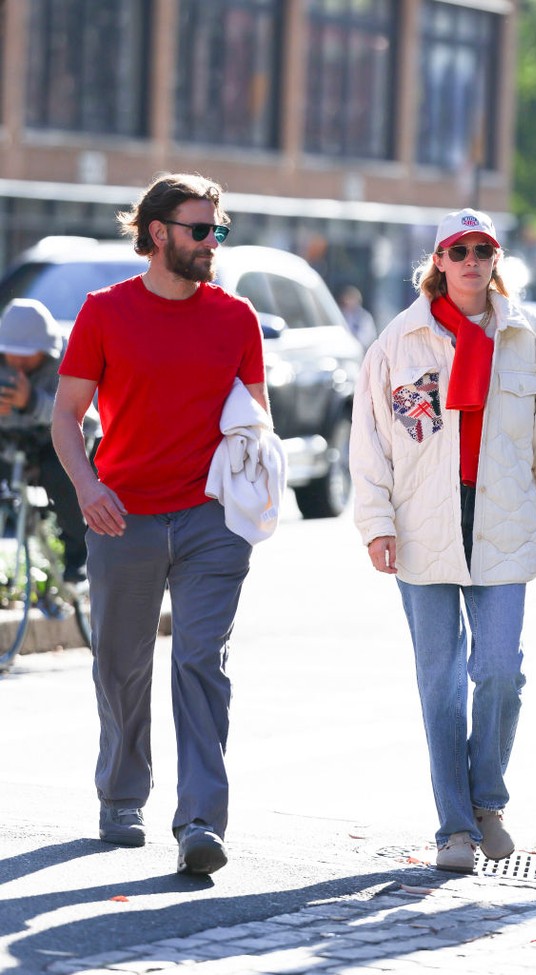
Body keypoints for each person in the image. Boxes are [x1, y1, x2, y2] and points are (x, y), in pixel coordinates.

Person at [349, 208, 536, 874]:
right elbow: (370, 440)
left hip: (506, 525)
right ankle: (454, 826)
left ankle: (489, 799)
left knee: (499, 672)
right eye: (460, 250)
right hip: (424, 525)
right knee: (440, 683)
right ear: (439, 262)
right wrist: (377, 524)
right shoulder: (399, 341)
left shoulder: (531, 338)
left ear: (496, 260)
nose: (473, 260)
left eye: (484, 249)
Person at [51, 172, 269, 876]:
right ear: (157, 234)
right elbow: (65, 414)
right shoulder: (104, 312)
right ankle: (121, 794)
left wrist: (254, 481)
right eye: (200, 230)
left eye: (218, 230)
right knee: (121, 663)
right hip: (123, 514)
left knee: (200, 659)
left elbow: (254, 421)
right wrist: (87, 486)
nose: (213, 242)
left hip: (212, 519)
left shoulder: (236, 318)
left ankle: (201, 820)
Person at [0, 298, 92, 583]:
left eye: (27, 356)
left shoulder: (69, 359)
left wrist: (32, 403)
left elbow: (88, 422)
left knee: (67, 477)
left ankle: (79, 553)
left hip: (52, 449)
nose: (17, 362)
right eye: (12, 355)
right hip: (7, 445)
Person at [338, 284, 378, 351]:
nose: (348, 303)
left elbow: (367, 338)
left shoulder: (365, 317)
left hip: (361, 351)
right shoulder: (341, 315)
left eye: (351, 300)